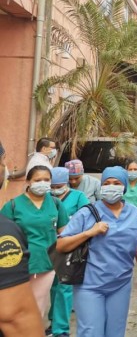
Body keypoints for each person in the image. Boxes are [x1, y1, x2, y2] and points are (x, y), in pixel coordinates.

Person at [56, 166, 137, 337]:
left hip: (120, 284)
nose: (111, 186)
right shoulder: (87, 213)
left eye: (116, 183)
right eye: (107, 183)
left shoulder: (134, 213)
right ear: (101, 186)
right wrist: (89, 233)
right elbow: (61, 245)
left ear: (124, 186)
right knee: (91, 332)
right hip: (90, 285)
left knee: (115, 332)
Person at [0, 166, 68, 319]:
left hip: (46, 264)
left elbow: (65, 233)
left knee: (37, 307)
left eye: (46, 180)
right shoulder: (13, 206)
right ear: (28, 181)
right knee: (14, 307)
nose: (42, 183)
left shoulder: (56, 204)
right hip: (16, 264)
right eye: (38, 180)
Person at [0, 141, 45, 337]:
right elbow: (16, 316)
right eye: (2, 160)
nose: (5, 167)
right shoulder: (5, 232)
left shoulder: (55, 204)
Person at [48, 167, 89, 337]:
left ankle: (60, 329)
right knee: (51, 287)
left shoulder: (79, 196)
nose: (56, 189)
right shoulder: (46, 198)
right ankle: (53, 320)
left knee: (64, 287)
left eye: (59, 186)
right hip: (50, 246)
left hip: (70, 247)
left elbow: (87, 216)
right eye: (53, 186)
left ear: (66, 183)